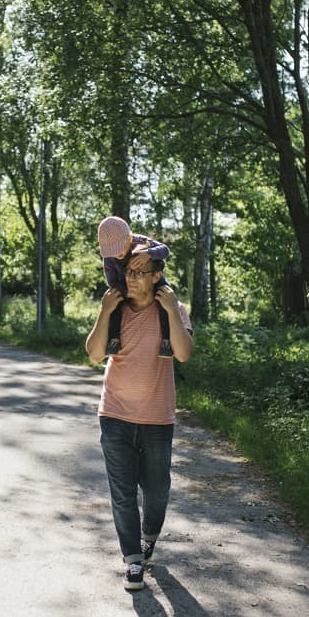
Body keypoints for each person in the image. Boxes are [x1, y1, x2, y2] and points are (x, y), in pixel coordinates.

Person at [86, 247, 194, 591]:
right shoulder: (115, 309)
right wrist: (103, 313)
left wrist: (172, 312)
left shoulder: (173, 311)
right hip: (114, 415)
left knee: (157, 490)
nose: (130, 278)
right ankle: (133, 560)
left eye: (139, 272)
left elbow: (184, 353)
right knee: (122, 493)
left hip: (157, 420)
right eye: (127, 271)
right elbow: (93, 354)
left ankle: (149, 536)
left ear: (156, 276)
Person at [96, 216, 172, 358]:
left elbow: (165, 250)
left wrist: (149, 253)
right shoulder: (109, 257)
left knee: (166, 298)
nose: (116, 254)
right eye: (112, 251)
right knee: (114, 302)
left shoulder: (141, 241)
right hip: (124, 285)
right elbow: (111, 280)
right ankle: (114, 339)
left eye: (119, 249)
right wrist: (124, 292)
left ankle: (167, 341)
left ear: (129, 239)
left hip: (151, 280)